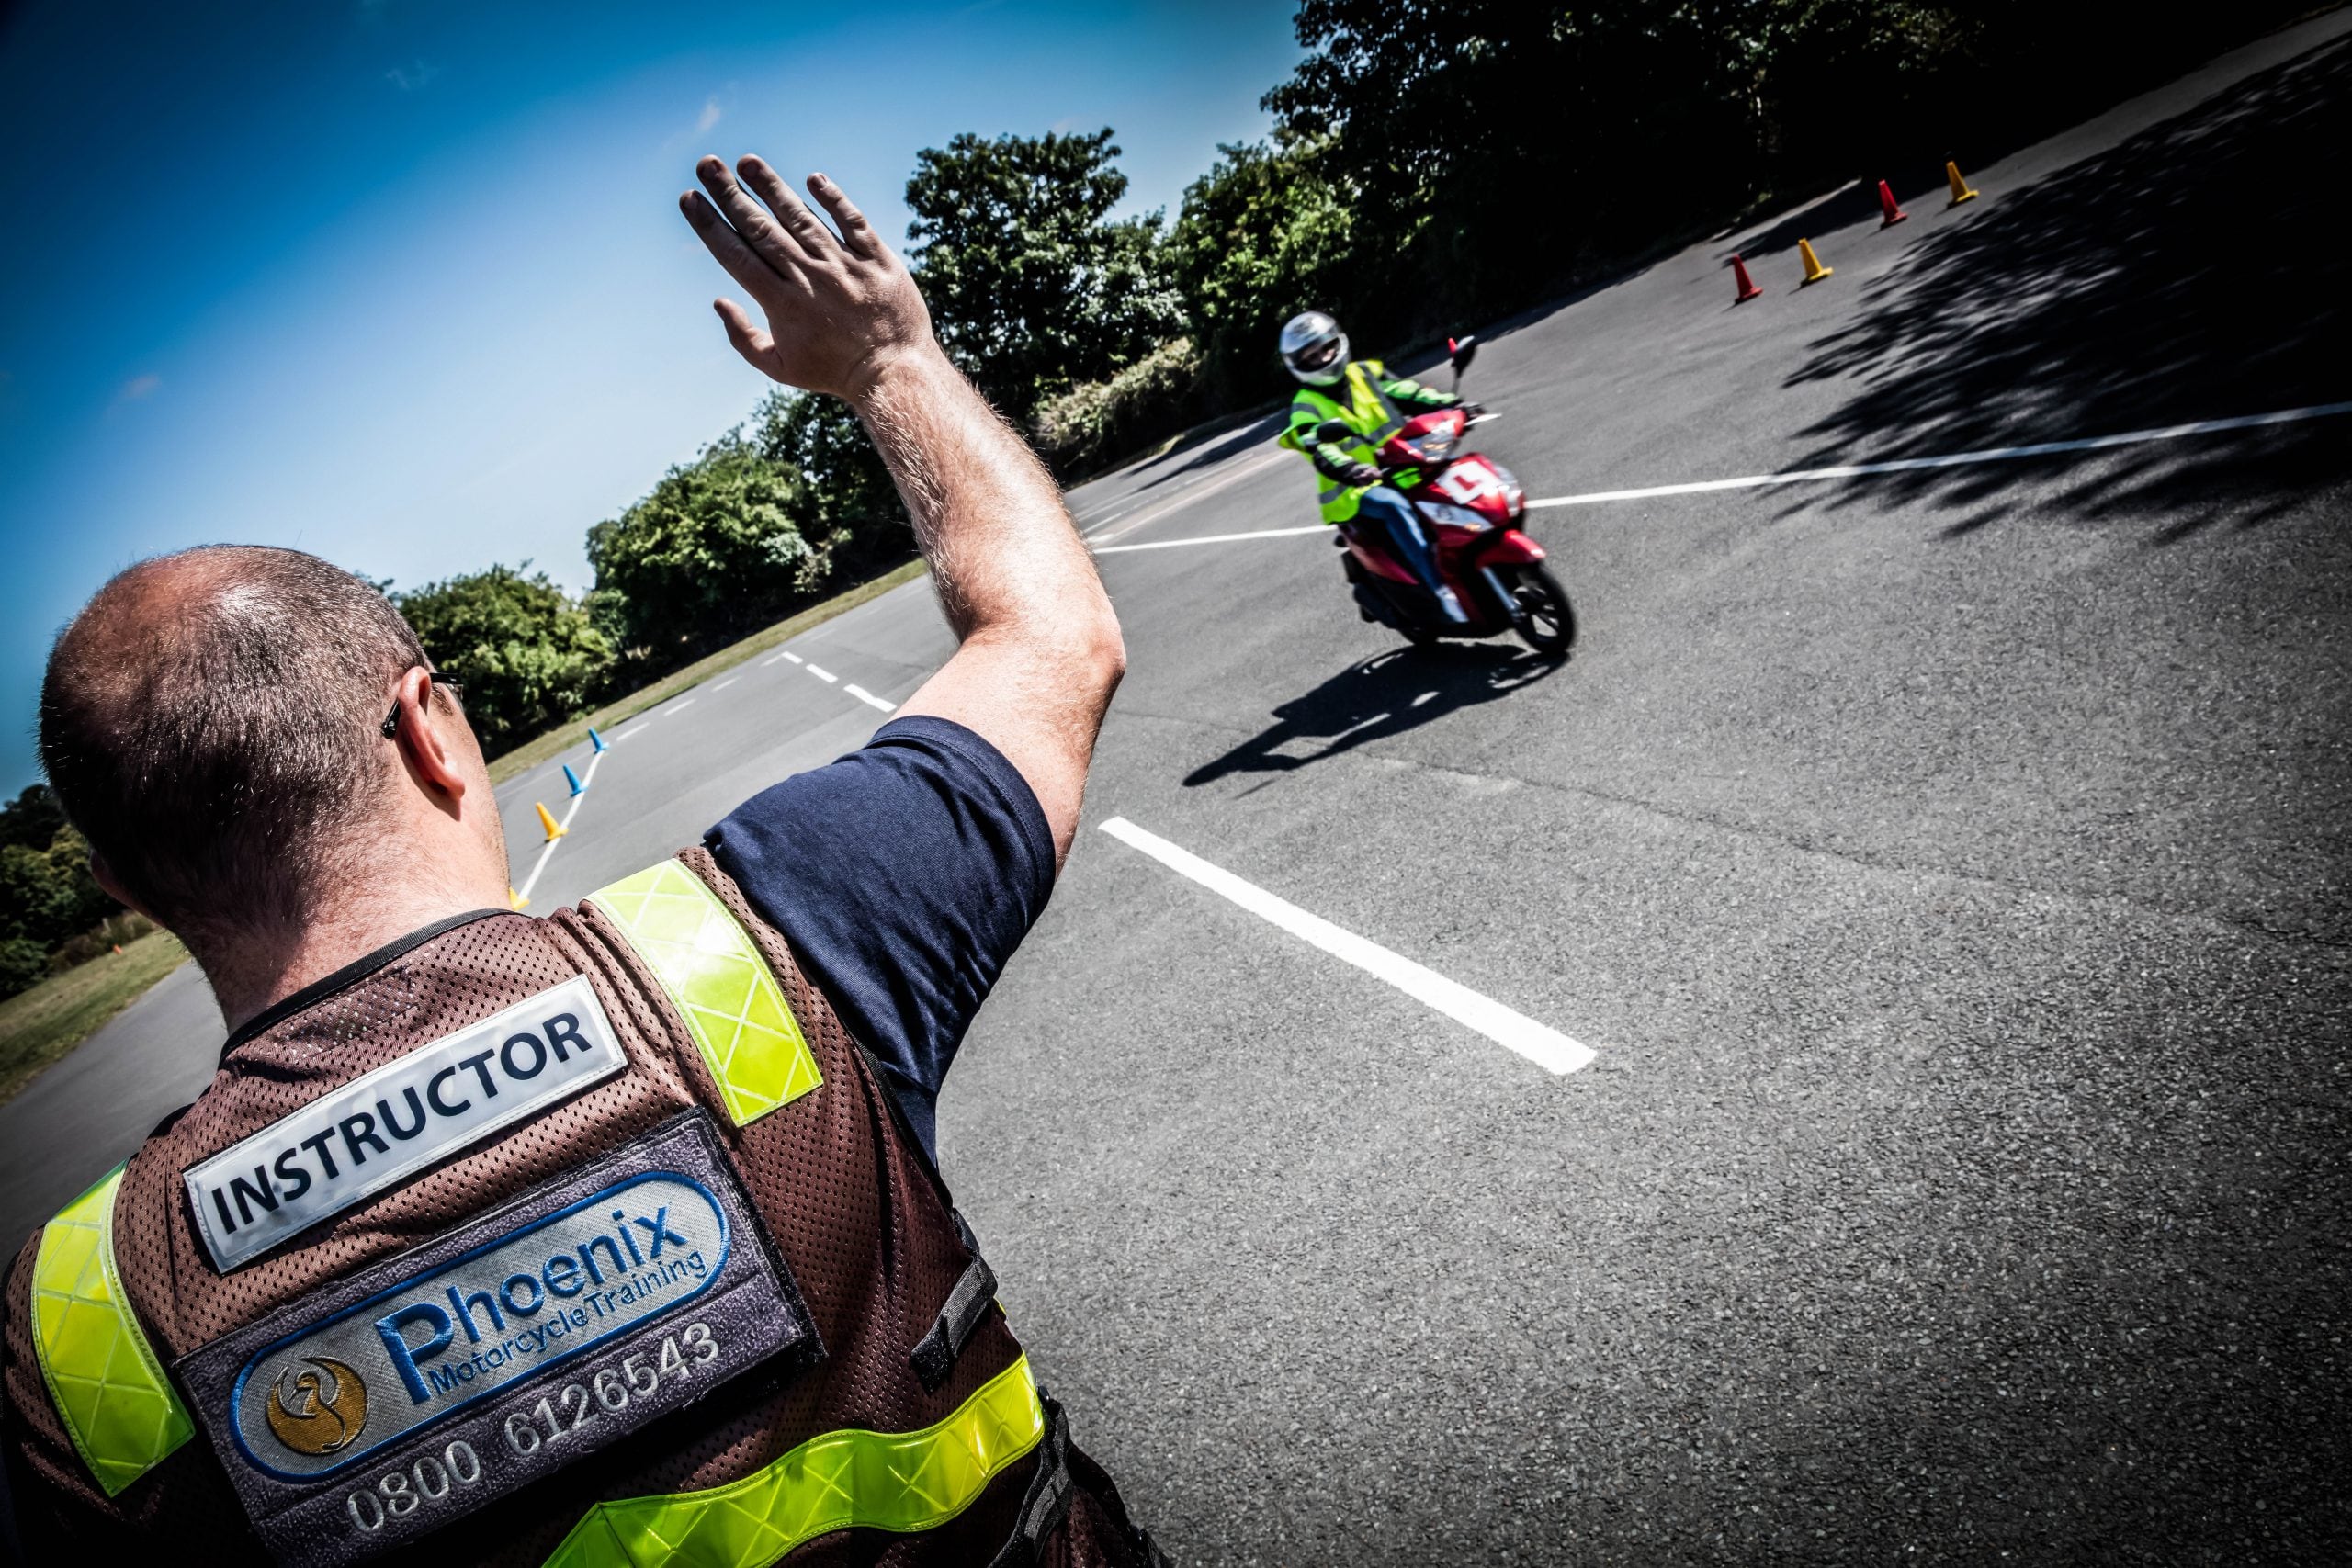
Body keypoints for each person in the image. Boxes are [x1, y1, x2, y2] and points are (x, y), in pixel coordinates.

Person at [0, 152, 1166, 1566]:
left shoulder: (77, 1321)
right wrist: (889, 362)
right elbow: (1050, 639)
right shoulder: (761, 941)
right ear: (431, 730)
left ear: (126, 886)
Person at [1276, 310, 1472, 623]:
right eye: (1311, 356)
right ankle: (1442, 589)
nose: (1323, 357)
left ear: (1337, 342)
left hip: (1402, 465)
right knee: (1394, 507)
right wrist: (1351, 470)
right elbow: (1316, 443)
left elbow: (1408, 393)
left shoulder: (1365, 373)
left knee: (1451, 483)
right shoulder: (1305, 404)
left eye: (1325, 348)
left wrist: (1452, 405)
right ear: (1298, 365)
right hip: (1355, 490)